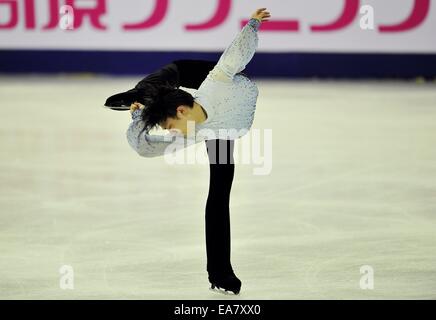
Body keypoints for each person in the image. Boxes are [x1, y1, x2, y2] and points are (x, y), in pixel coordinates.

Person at [104, 8, 271, 295]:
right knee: (218, 194)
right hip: (215, 123)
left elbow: (236, 53)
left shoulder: (217, 80)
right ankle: (220, 275)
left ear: (181, 111)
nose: (170, 133)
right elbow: (145, 148)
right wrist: (137, 121)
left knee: (175, 79)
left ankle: (145, 98)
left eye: (169, 125)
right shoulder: (192, 132)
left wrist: (253, 24)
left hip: (202, 79)